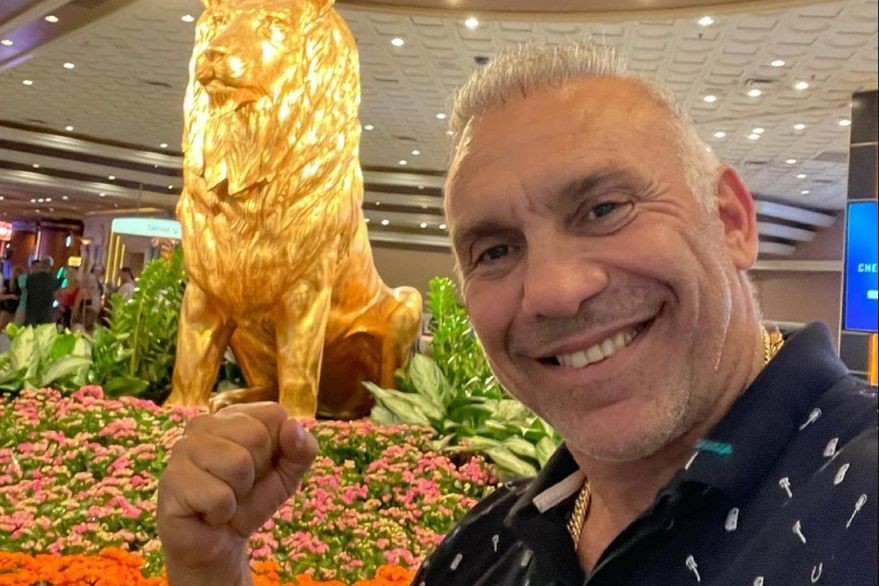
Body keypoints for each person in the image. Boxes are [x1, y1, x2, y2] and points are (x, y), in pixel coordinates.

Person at [156, 42, 877, 586]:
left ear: (731, 221)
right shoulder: (482, 549)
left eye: (604, 209)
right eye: (495, 250)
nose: (554, 292)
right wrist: (212, 570)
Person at [24, 259, 58, 326]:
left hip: (31, 311)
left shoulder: (30, 278)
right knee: (44, 331)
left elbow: (26, 292)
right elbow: (55, 295)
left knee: (30, 330)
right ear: (49, 267)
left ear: (41, 266)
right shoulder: (53, 280)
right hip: (46, 312)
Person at [0, 266, 23, 331]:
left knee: (12, 331)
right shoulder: (7, 282)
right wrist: (11, 296)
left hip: (17, 311)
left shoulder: (22, 284)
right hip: (7, 310)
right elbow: (1, 297)